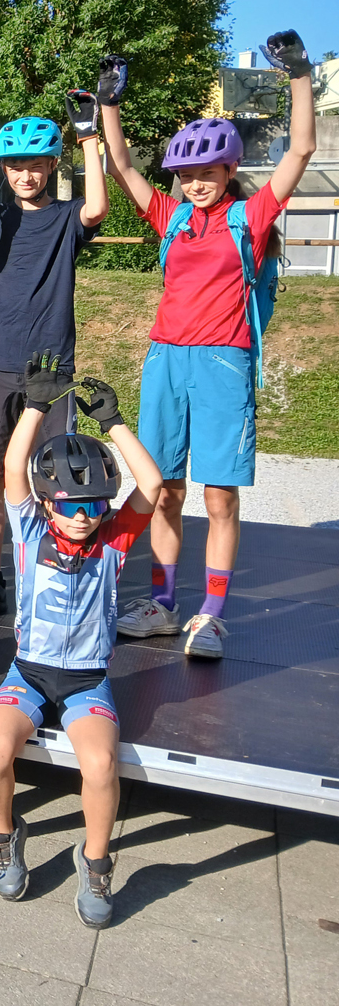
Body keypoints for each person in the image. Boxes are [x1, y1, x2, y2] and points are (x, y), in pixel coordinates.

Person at [100, 33, 316, 659]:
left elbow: (302, 148)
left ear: (229, 172)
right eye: (187, 175)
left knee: (219, 494)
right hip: (166, 359)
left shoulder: (250, 218)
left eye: (207, 174)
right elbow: (122, 166)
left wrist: (299, 75)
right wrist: (110, 104)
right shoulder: (170, 217)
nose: (195, 183)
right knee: (163, 489)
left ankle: (213, 616)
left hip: (225, 361)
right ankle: (164, 604)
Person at [0, 356, 161, 928]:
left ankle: (96, 862)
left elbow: (152, 486)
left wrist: (113, 422)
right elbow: (13, 470)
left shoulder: (112, 542)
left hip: (86, 679)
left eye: (96, 505)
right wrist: (35, 407)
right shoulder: (30, 531)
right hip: (29, 673)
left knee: (101, 764)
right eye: (71, 506)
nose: (84, 517)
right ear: (47, 503)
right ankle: (4, 838)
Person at [0, 79, 111, 623]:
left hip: (49, 371)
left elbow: (98, 206)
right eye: (15, 165)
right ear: (4, 168)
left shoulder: (65, 218)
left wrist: (88, 135)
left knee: (51, 477)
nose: (26, 175)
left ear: (52, 165)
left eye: (36, 165)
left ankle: (49, 574)